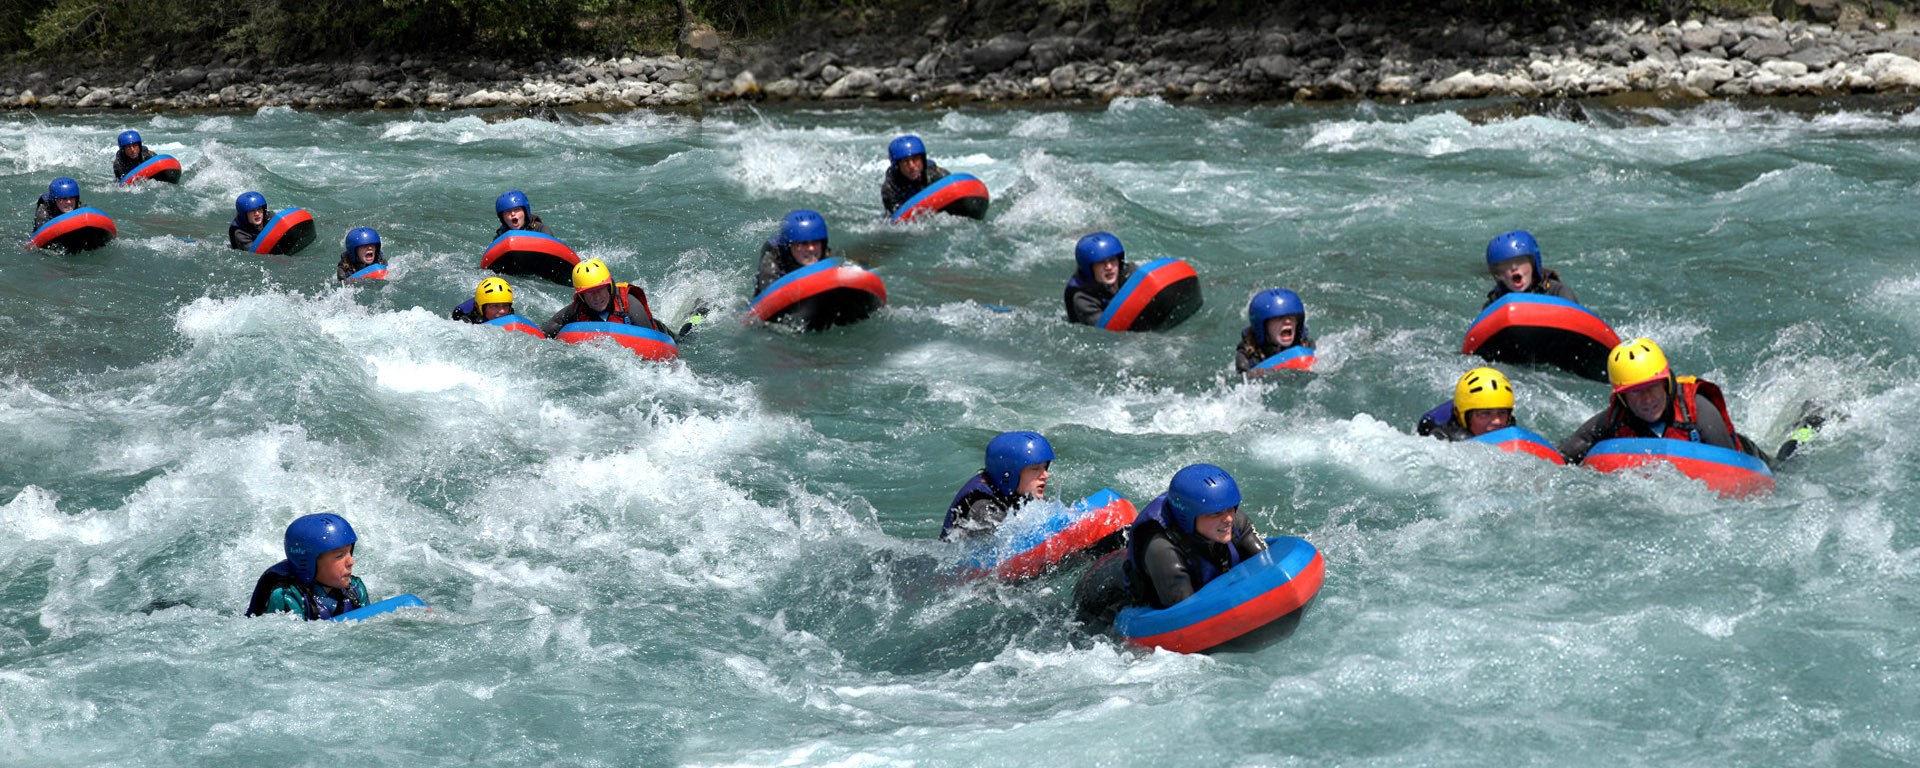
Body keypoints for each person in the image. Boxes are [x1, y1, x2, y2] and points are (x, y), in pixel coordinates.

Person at [1557, 337, 1783, 466]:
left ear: (1665, 383)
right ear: (1622, 398)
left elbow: (1733, 470)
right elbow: (1559, 458)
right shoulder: (1613, 420)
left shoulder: (1698, 410)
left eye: (1652, 387)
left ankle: (1807, 424)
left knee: (1787, 462)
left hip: (1751, 457)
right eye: (1635, 392)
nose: (1647, 399)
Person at [1123, 464, 1268, 609]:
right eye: (1215, 513)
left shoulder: (1234, 520)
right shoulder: (1163, 551)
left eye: (1230, 508)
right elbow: (1185, 616)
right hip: (1114, 597)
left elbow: (1270, 566)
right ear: (1187, 517)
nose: (1228, 519)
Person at [245, 513, 370, 620]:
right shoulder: (286, 596)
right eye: (339, 556)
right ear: (309, 562)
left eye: (349, 552)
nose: (351, 561)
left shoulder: (355, 589)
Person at [942, 431, 1054, 541]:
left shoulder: (1022, 494)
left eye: (1044, 467)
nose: (1045, 475)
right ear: (1009, 473)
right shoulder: (983, 510)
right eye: (1035, 469)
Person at [540, 258, 672, 338]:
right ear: (581, 295)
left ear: (608, 287)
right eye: (590, 293)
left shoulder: (629, 304)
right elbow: (544, 332)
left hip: (663, 334)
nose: (597, 297)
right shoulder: (576, 310)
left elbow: (650, 341)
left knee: (685, 336)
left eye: (600, 289)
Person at [1418, 367, 1518, 441]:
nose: (1497, 421)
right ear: (1460, 417)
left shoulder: (1508, 424)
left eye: (1502, 412)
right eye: (1485, 413)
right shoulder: (1441, 439)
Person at [1484, 230, 1577, 307]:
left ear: (1533, 264)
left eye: (1519, 261)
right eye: (1505, 265)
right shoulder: (1494, 302)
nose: (1513, 268)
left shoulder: (1558, 292)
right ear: (1498, 274)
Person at [1234, 288, 1315, 373]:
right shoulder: (1247, 356)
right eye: (1279, 318)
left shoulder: (1306, 345)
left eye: (1291, 317)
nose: (1287, 321)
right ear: (1264, 327)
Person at [1063, 231, 1134, 326]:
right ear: (1089, 268)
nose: (1109, 267)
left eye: (1112, 259)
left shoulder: (1129, 273)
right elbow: (1109, 330)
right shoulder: (1083, 299)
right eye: (1101, 262)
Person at [756, 209, 833, 295]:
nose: (811, 248)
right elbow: (769, 295)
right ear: (789, 246)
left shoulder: (826, 255)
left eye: (815, 242)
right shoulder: (773, 259)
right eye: (803, 244)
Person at [880, 135, 950, 216]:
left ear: (922, 160)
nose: (912, 166)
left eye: (915, 159)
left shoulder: (935, 173)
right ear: (897, 166)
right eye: (906, 162)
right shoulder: (890, 188)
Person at [451, 277, 518, 323]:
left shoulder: (509, 313)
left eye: (505, 305)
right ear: (479, 308)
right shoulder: (467, 321)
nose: (502, 311)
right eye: (495, 306)